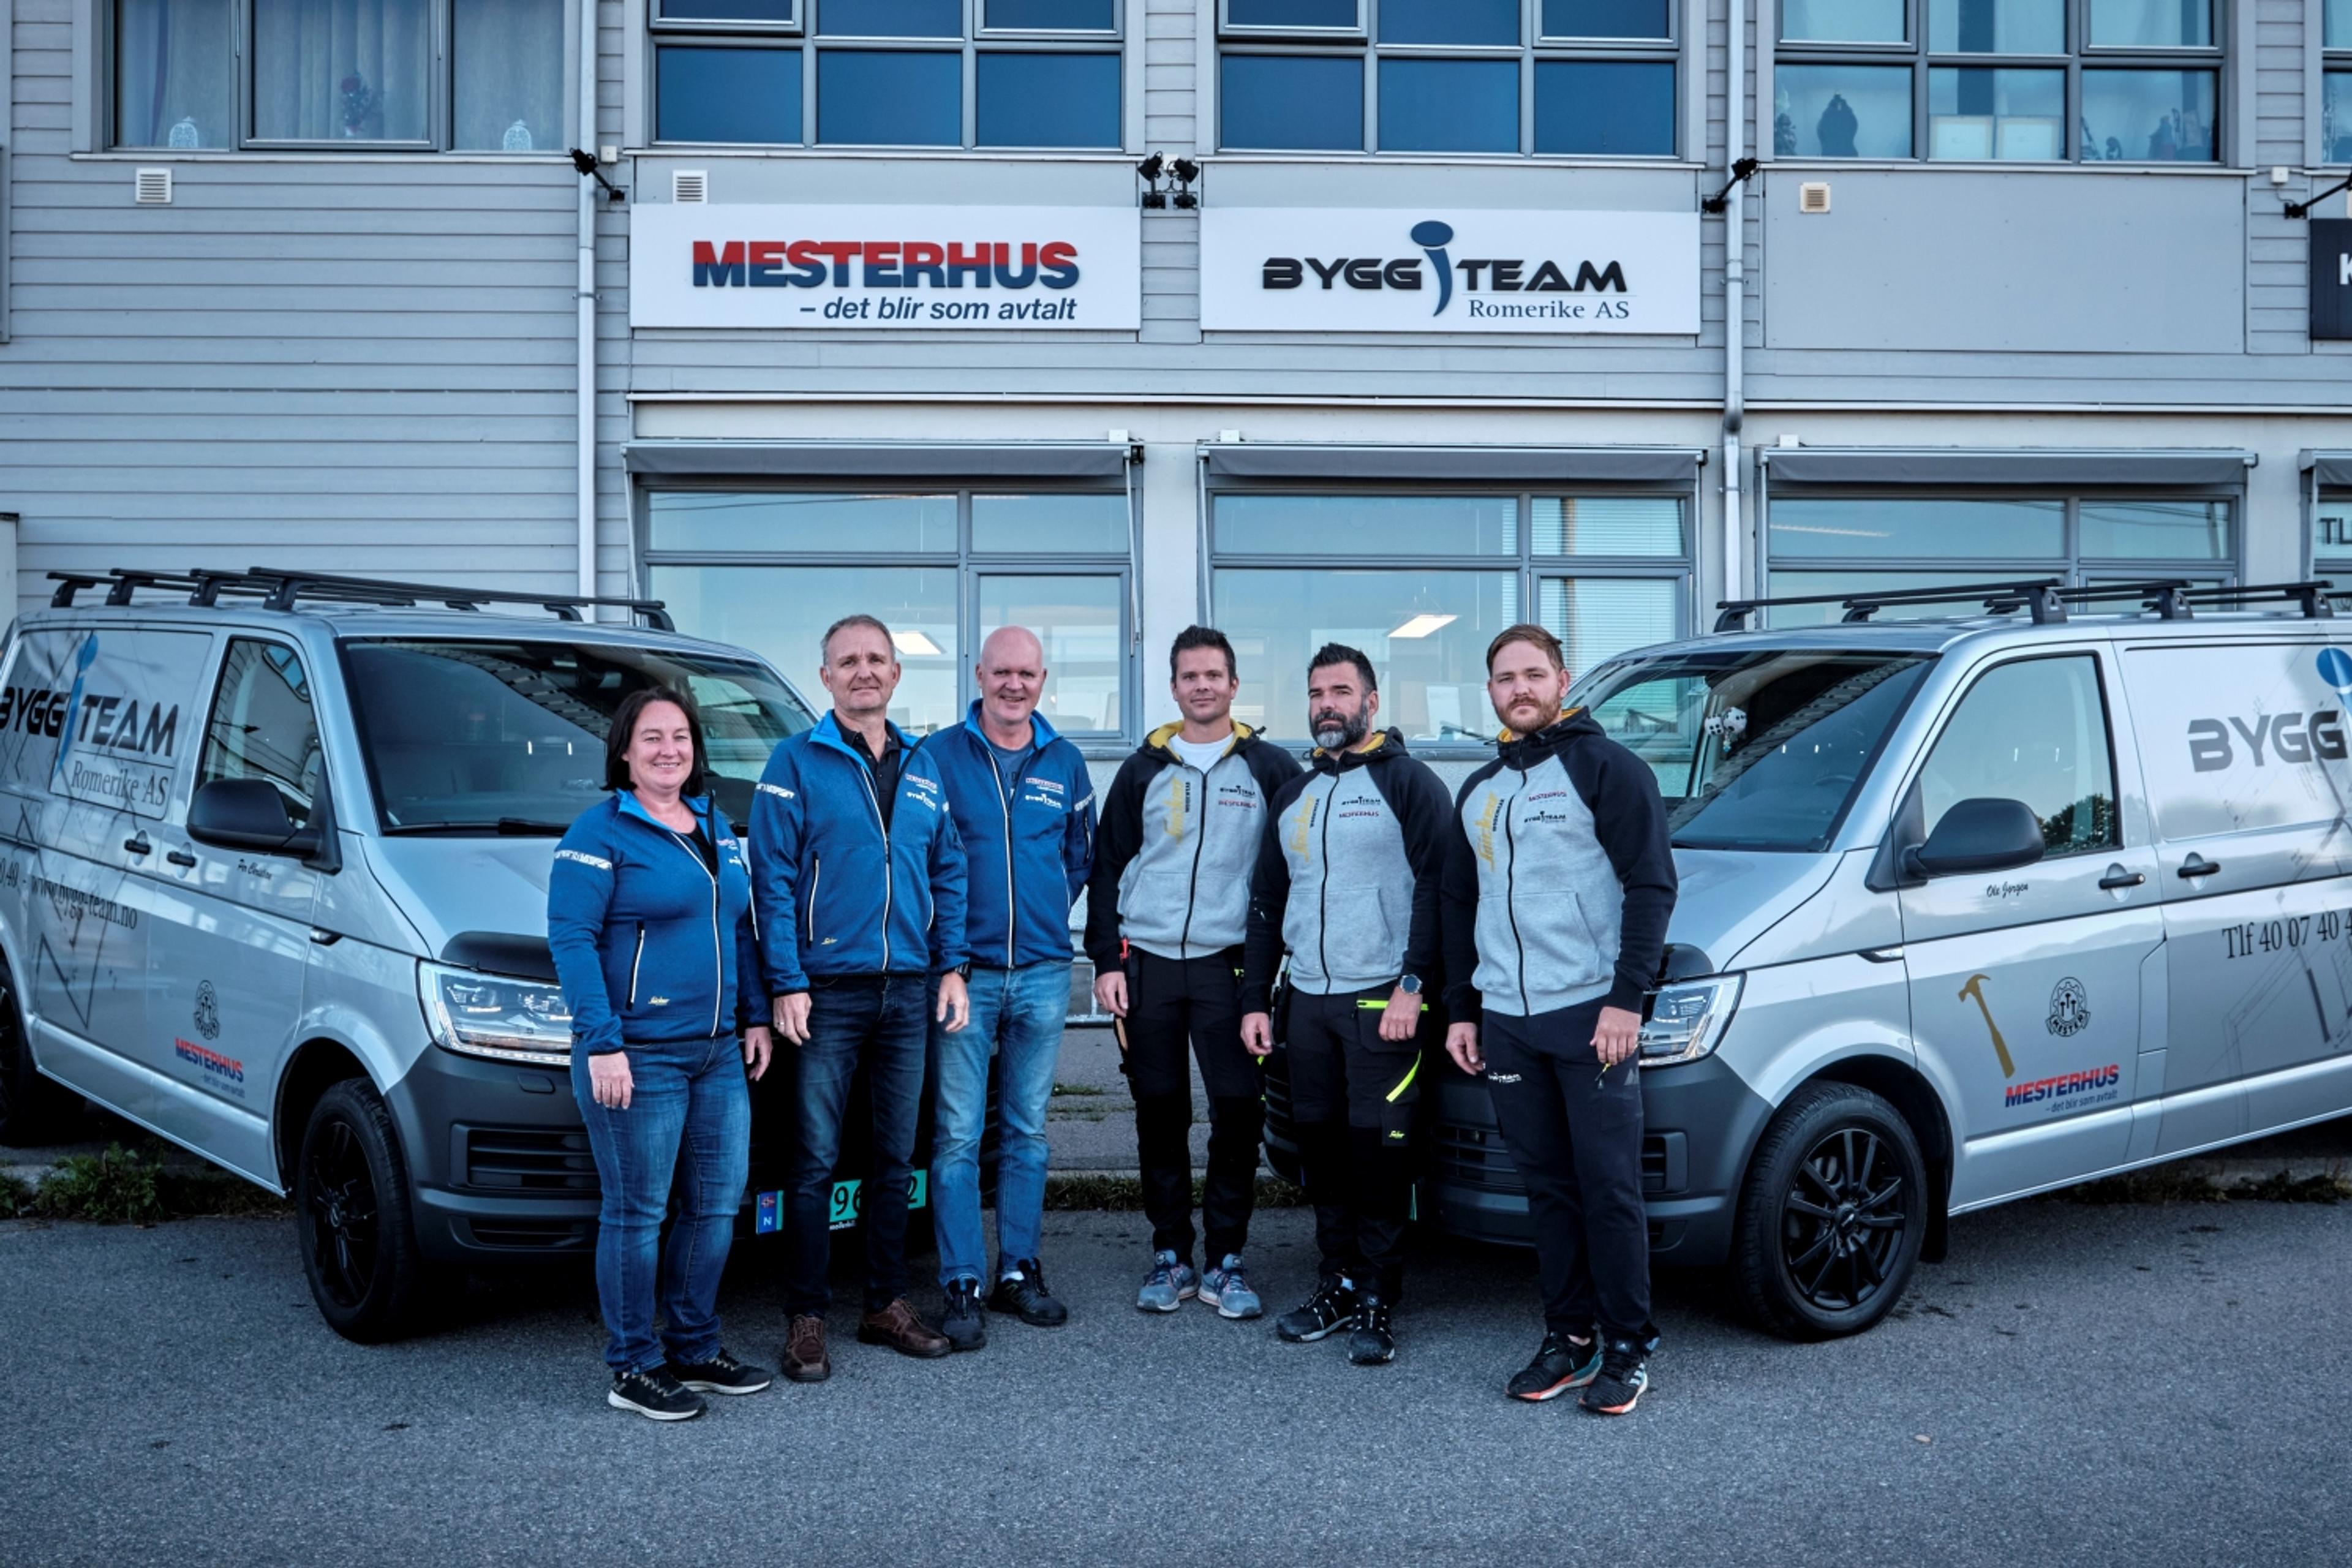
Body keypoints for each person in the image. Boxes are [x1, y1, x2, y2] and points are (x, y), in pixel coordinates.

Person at [1440, 624, 1676, 1416]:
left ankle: (1629, 1343)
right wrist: (1464, 1010)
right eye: (1505, 678)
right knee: (1547, 1188)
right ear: (1491, 692)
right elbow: (1459, 903)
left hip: (1591, 1013)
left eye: (1533, 674)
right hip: (1508, 1018)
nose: (1520, 689)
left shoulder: (1609, 768)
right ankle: (1570, 1337)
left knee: (1608, 1186)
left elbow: (1652, 884)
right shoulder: (1480, 790)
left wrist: (1627, 998)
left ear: (1562, 680)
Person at [751, 614, 971, 1383]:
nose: (864, 671)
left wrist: (951, 966)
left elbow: (949, 870)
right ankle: (806, 1316)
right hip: (827, 992)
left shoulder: (922, 765)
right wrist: (786, 980)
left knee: (893, 1156)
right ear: (826, 677)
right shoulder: (794, 760)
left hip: (908, 988)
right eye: (848, 661)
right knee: (813, 1159)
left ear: (896, 674)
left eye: (877, 659)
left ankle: (884, 1303)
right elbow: (772, 878)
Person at [547, 686, 775, 1422]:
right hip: (637, 1055)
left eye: (680, 736)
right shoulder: (600, 831)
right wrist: (602, 1042)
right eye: (651, 737)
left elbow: (737, 927)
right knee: (638, 1212)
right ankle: (634, 1365)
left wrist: (754, 1016)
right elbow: (571, 939)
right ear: (623, 752)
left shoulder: (713, 823)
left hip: (716, 1053)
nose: (668, 749)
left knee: (715, 1206)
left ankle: (694, 1347)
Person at [1240, 644, 1452, 1366]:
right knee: (1323, 1153)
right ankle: (1336, 1283)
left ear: (1371, 701)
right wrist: (1255, 999)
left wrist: (1414, 985)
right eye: (1316, 693)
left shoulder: (1408, 783)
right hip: (1306, 1001)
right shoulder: (1294, 795)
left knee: (1378, 1156)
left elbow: (1440, 889)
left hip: (1381, 1001)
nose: (1326, 704)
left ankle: (1377, 1296)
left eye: (1340, 691)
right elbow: (1268, 903)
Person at [1086, 626, 1302, 1317]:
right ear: (1175, 687)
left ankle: (1226, 1260)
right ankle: (1171, 1255)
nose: (1202, 686)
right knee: (1160, 1112)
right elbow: (1106, 867)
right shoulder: (1142, 770)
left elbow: (1292, 867)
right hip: (1147, 965)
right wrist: (1105, 959)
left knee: (1237, 1111)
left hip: (1229, 966)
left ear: (1233, 685)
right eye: (1189, 676)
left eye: (1214, 675)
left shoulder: (1270, 768)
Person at [919, 625, 1098, 1351]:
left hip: (1046, 971)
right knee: (958, 1134)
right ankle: (961, 1279)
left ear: (1042, 679)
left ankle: (1019, 1269)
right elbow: (924, 858)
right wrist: (951, 950)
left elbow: (1079, 857)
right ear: (979, 675)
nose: (1014, 685)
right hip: (966, 974)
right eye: (1002, 672)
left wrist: (1046, 913)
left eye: (1026, 673)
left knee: (1027, 1130)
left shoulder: (1066, 760)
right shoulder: (939, 756)